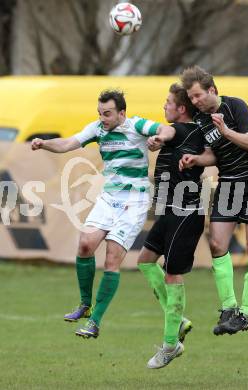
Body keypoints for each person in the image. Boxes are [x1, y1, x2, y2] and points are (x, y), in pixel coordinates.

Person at [31, 89, 173, 339]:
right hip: (109, 198)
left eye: (107, 114)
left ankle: (95, 322)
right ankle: (85, 305)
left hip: (134, 202)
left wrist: (158, 139)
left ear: (122, 113)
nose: (103, 118)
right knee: (85, 245)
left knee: (111, 259)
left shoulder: (136, 125)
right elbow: (67, 143)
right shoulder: (97, 129)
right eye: (100, 113)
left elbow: (167, 129)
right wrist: (44, 143)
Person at [179, 65, 248, 336]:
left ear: (212, 90)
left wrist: (226, 130)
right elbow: (213, 154)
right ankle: (229, 308)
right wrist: (197, 159)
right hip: (229, 182)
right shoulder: (200, 118)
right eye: (191, 98)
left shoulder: (235, 107)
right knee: (217, 242)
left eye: (197, 96)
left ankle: (246, 314)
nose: (194, 102)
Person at [137, 83, 214, 369]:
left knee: (172, 275)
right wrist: (160, 139)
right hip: (169, 210)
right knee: (145, 261)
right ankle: (178, 318)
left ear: (181, 109)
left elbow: (169, 132)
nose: (164, 107)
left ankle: (170, 345)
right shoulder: (185, 133)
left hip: (186, 212)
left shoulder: (182, 130)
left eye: (168, 103)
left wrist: (158, 138)